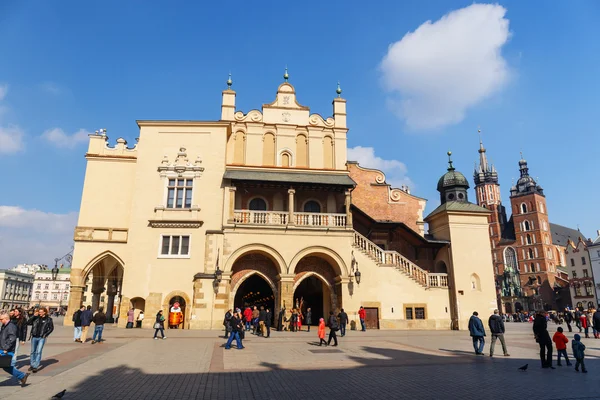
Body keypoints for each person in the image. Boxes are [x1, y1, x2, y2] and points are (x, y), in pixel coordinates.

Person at [0, 311, 29, 386]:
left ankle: (22, 375)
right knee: (6, 366)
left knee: (6, 366)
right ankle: (22, 376)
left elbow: (12, 338)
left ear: (6, 318)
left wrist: (6, 348)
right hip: (2, 348)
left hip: (6, 349)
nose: (0, 321)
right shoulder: (4, 325)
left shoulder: (11, 326)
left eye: (1, 319)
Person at [28, 307, 53, 373]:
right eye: (39, 312)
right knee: (33, 351)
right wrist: (33, 316)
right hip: (34, 336)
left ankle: (35, 366)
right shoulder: (36, 318)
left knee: (38, 351)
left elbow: (51, 328)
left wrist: (45, 334)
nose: (40, 313)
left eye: (41, 312)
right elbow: (28, 322)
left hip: (42, 337)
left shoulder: (49, 319)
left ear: (44, 312)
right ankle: (32, 364)